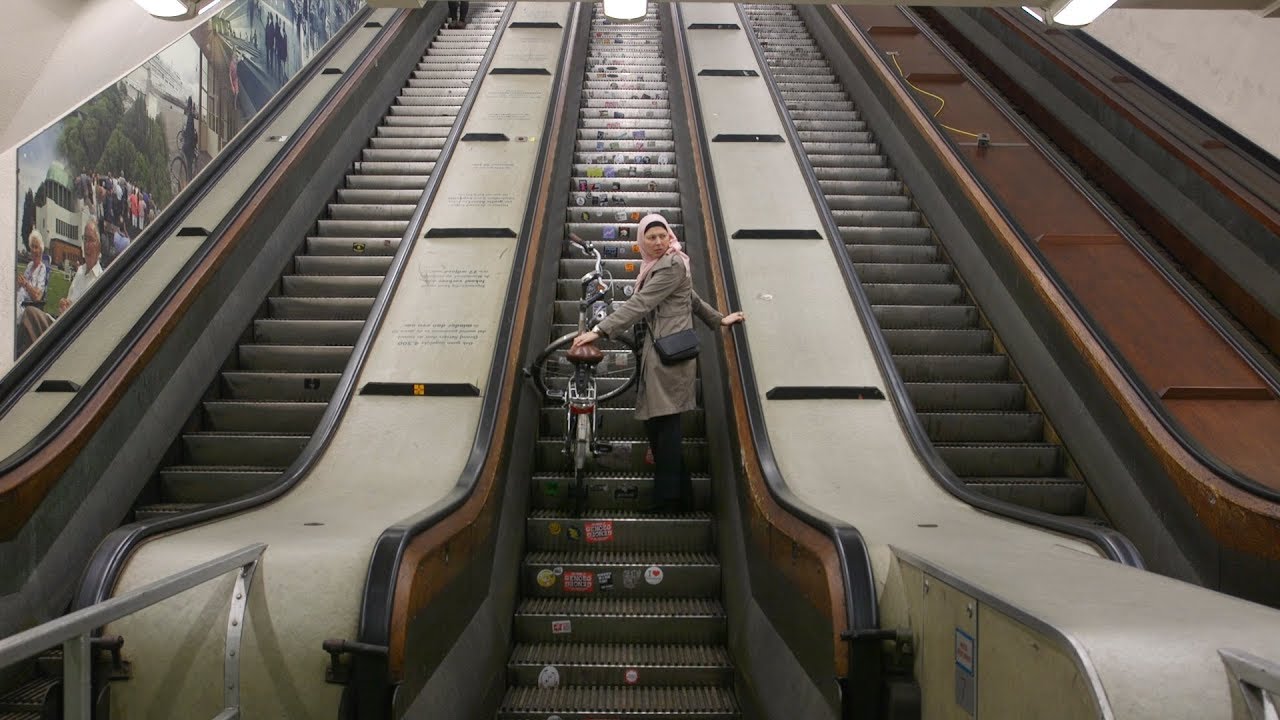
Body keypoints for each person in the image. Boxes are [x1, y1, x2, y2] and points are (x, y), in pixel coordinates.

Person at [572, 213, 745, 511]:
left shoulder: (672, 263)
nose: (657, 242)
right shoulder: (658, 265)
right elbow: (690, 298)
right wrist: (718, 320)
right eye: (650, 237)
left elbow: (641, 304)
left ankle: (667, 500)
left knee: (664, 429)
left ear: (670, 237)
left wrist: (599, 331)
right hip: (657, 351)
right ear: (641, 241)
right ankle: (682, 497)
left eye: (662, 236)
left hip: (669, 355)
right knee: (661, 428)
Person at [15, 231, 50, 355]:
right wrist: (19, 283)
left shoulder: (42, 269)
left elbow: (38, 296)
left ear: (40, 250)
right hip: (19, 301)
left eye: (36, 247)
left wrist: (25, 284)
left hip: (28, 307)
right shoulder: (29, 266)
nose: (33, 251)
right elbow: (21, 288)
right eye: (32, 247)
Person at [60, 222, 103, 312]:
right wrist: (64, 305)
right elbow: (69, 301)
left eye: (91, 240)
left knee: (30, 313)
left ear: (98, 246)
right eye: (85, 239)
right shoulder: (80, 271)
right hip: (65, 322)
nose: (86, 245)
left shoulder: (100, 279)